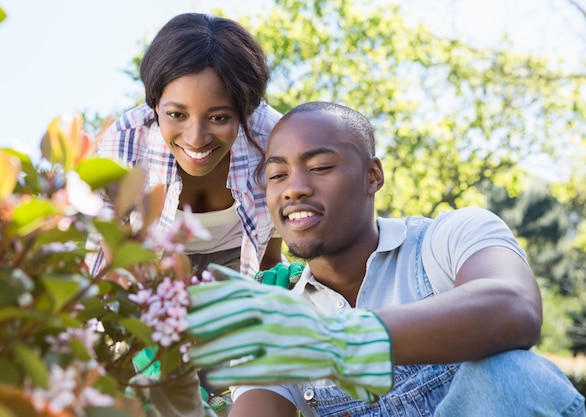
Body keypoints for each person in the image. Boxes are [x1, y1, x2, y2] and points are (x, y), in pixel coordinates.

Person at [185, 101, 586, 417]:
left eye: (320, 167)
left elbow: (513, 307)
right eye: (276, 176)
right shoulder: (279, 319)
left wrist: (329, 339)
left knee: (507, 377)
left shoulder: (449, 239)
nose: (294, 189)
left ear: (373, 175)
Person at [85, 13, 283, 417]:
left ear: (244, 111)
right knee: (155, 389)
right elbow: (103, 262)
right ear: (155, 103)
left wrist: (268, 294)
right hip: (153, 268)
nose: (196, 139)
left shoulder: (272, 138)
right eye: (176, 114)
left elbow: (277, 235)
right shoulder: (124, 145)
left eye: (219, 117)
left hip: (237, 261)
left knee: (227, 383)